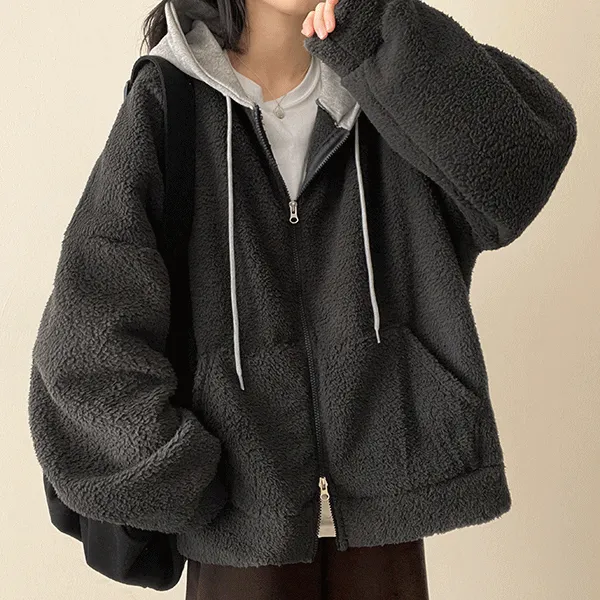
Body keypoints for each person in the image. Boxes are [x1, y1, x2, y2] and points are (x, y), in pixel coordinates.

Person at [27, 0, 577, 597]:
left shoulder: (385, 80)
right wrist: (176, 471)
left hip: (386, 509)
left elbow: (520, 167)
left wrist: (375, 31)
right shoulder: (171, 98)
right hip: (241, 528)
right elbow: (87, 329)